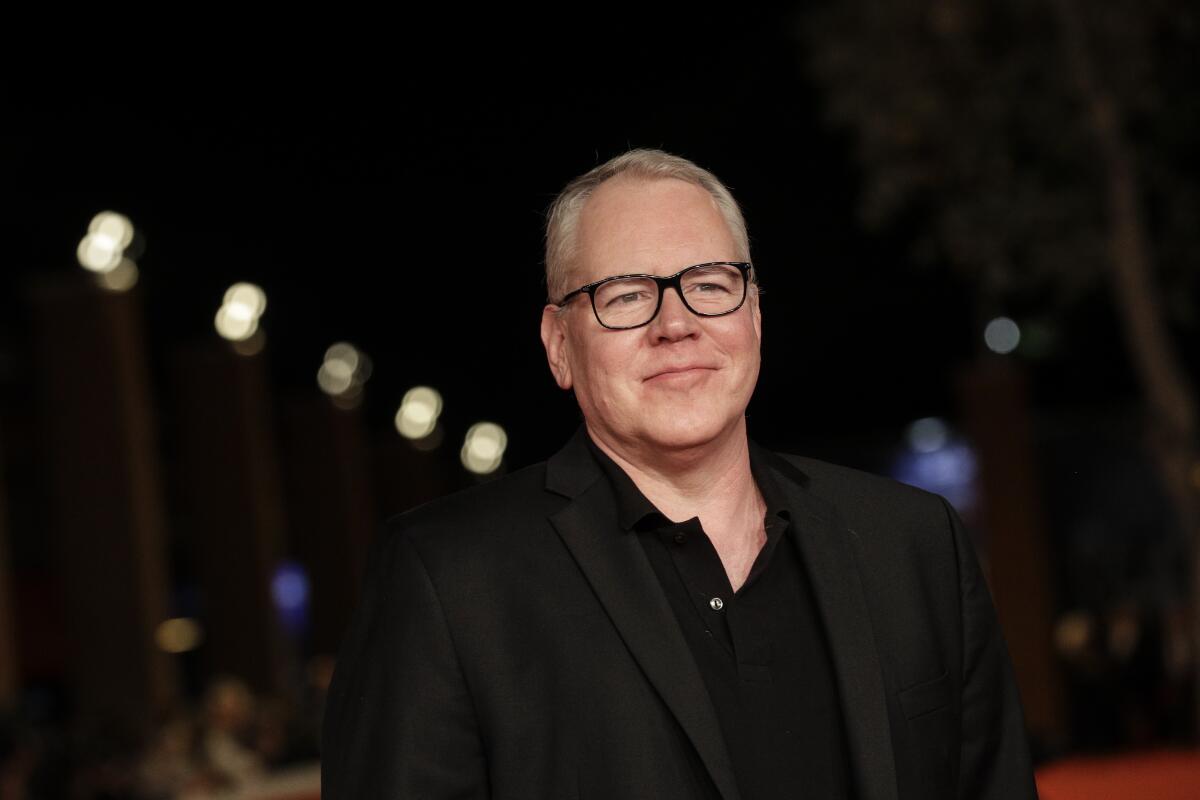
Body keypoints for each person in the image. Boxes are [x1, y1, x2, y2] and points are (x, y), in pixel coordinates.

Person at [322, 149, 1037, 799]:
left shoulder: (912, 544)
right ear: (559, 345)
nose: (677, 323)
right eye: (627, 294)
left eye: (709, 283)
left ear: (753, 313)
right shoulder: (449, 580)